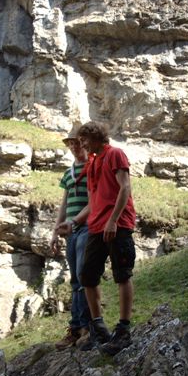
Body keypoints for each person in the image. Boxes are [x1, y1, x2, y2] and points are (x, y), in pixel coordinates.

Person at [59, 121, 137, 356]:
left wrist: (113, 220)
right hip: (96, 226)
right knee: (87, 276)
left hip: (117, 224)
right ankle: (98, 328)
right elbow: (92, 201)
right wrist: (74, 222)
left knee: (122, 274)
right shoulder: (92, 163)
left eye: (84, 139)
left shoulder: (115, 154)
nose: (81, 144)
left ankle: (123, 329)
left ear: (95, 137)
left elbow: (125, 188)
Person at [50, 126, 92, 350]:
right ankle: (76, 328)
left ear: (84, 143)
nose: (74, 147)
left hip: (86, 227)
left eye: (77, 142)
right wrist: (55, 231)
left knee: (83, 275)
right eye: (71, 144)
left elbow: (94, 200)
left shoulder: (92, 167)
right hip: (70, 231)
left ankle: (86, 327)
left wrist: (75, 221)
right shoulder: (68, 173)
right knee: (75, 279)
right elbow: (64, 204)